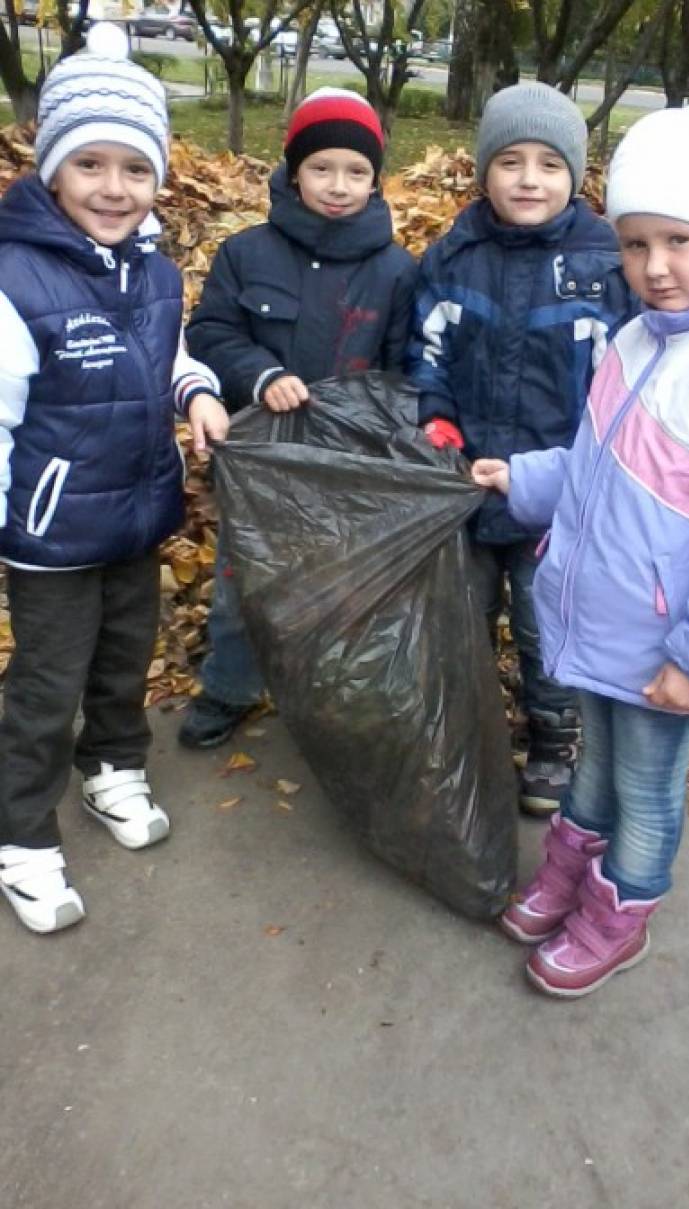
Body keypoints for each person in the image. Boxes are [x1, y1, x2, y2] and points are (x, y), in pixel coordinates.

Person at [472, 105, 689, 997]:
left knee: (645, 778)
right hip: (605, 617)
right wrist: (521, 479)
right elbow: (601, 466)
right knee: (596, 760)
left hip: (668, 643)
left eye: (679, 240)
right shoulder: (638, 338)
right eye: (633, 244)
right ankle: (569, 875)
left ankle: (619, 910)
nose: (654, 267)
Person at [0, 24, 229, 935]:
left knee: (124, 654)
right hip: (53, 535)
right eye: (89, 164)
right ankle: (21, 834)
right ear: (52, 168)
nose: (114, 187)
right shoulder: (16, 279)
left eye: (134, 168)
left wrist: (200, 392)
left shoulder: (157, 269)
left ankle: (113, 768)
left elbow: (164, 353)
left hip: (135, 515)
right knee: (46, 683)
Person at [407, 82, 636, 817]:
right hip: (469, 483)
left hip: (558, 494)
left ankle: (551, 738)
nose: (528, 179)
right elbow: (427, 351)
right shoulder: (453, 255)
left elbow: (624, 382)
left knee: (548, 629)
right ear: (483, 171)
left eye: (548, 163)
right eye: (510, 161)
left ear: (575, 174)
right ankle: (468, 733)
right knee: (463, 620)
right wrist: (434, 417)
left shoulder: (604, 264)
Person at [179, 88, 418, 750]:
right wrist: (261, 375)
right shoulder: (246, 254)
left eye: (355, 172)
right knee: (242, 582)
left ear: (375, 180)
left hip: (350, 464)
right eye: (321, 168)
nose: (337, 186)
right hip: (262, 462)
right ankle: (229, 685)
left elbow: (406, 367)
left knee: (341, 589)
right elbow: (211, 332)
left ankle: (325, 697)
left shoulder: (396, 270)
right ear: (291, 171)